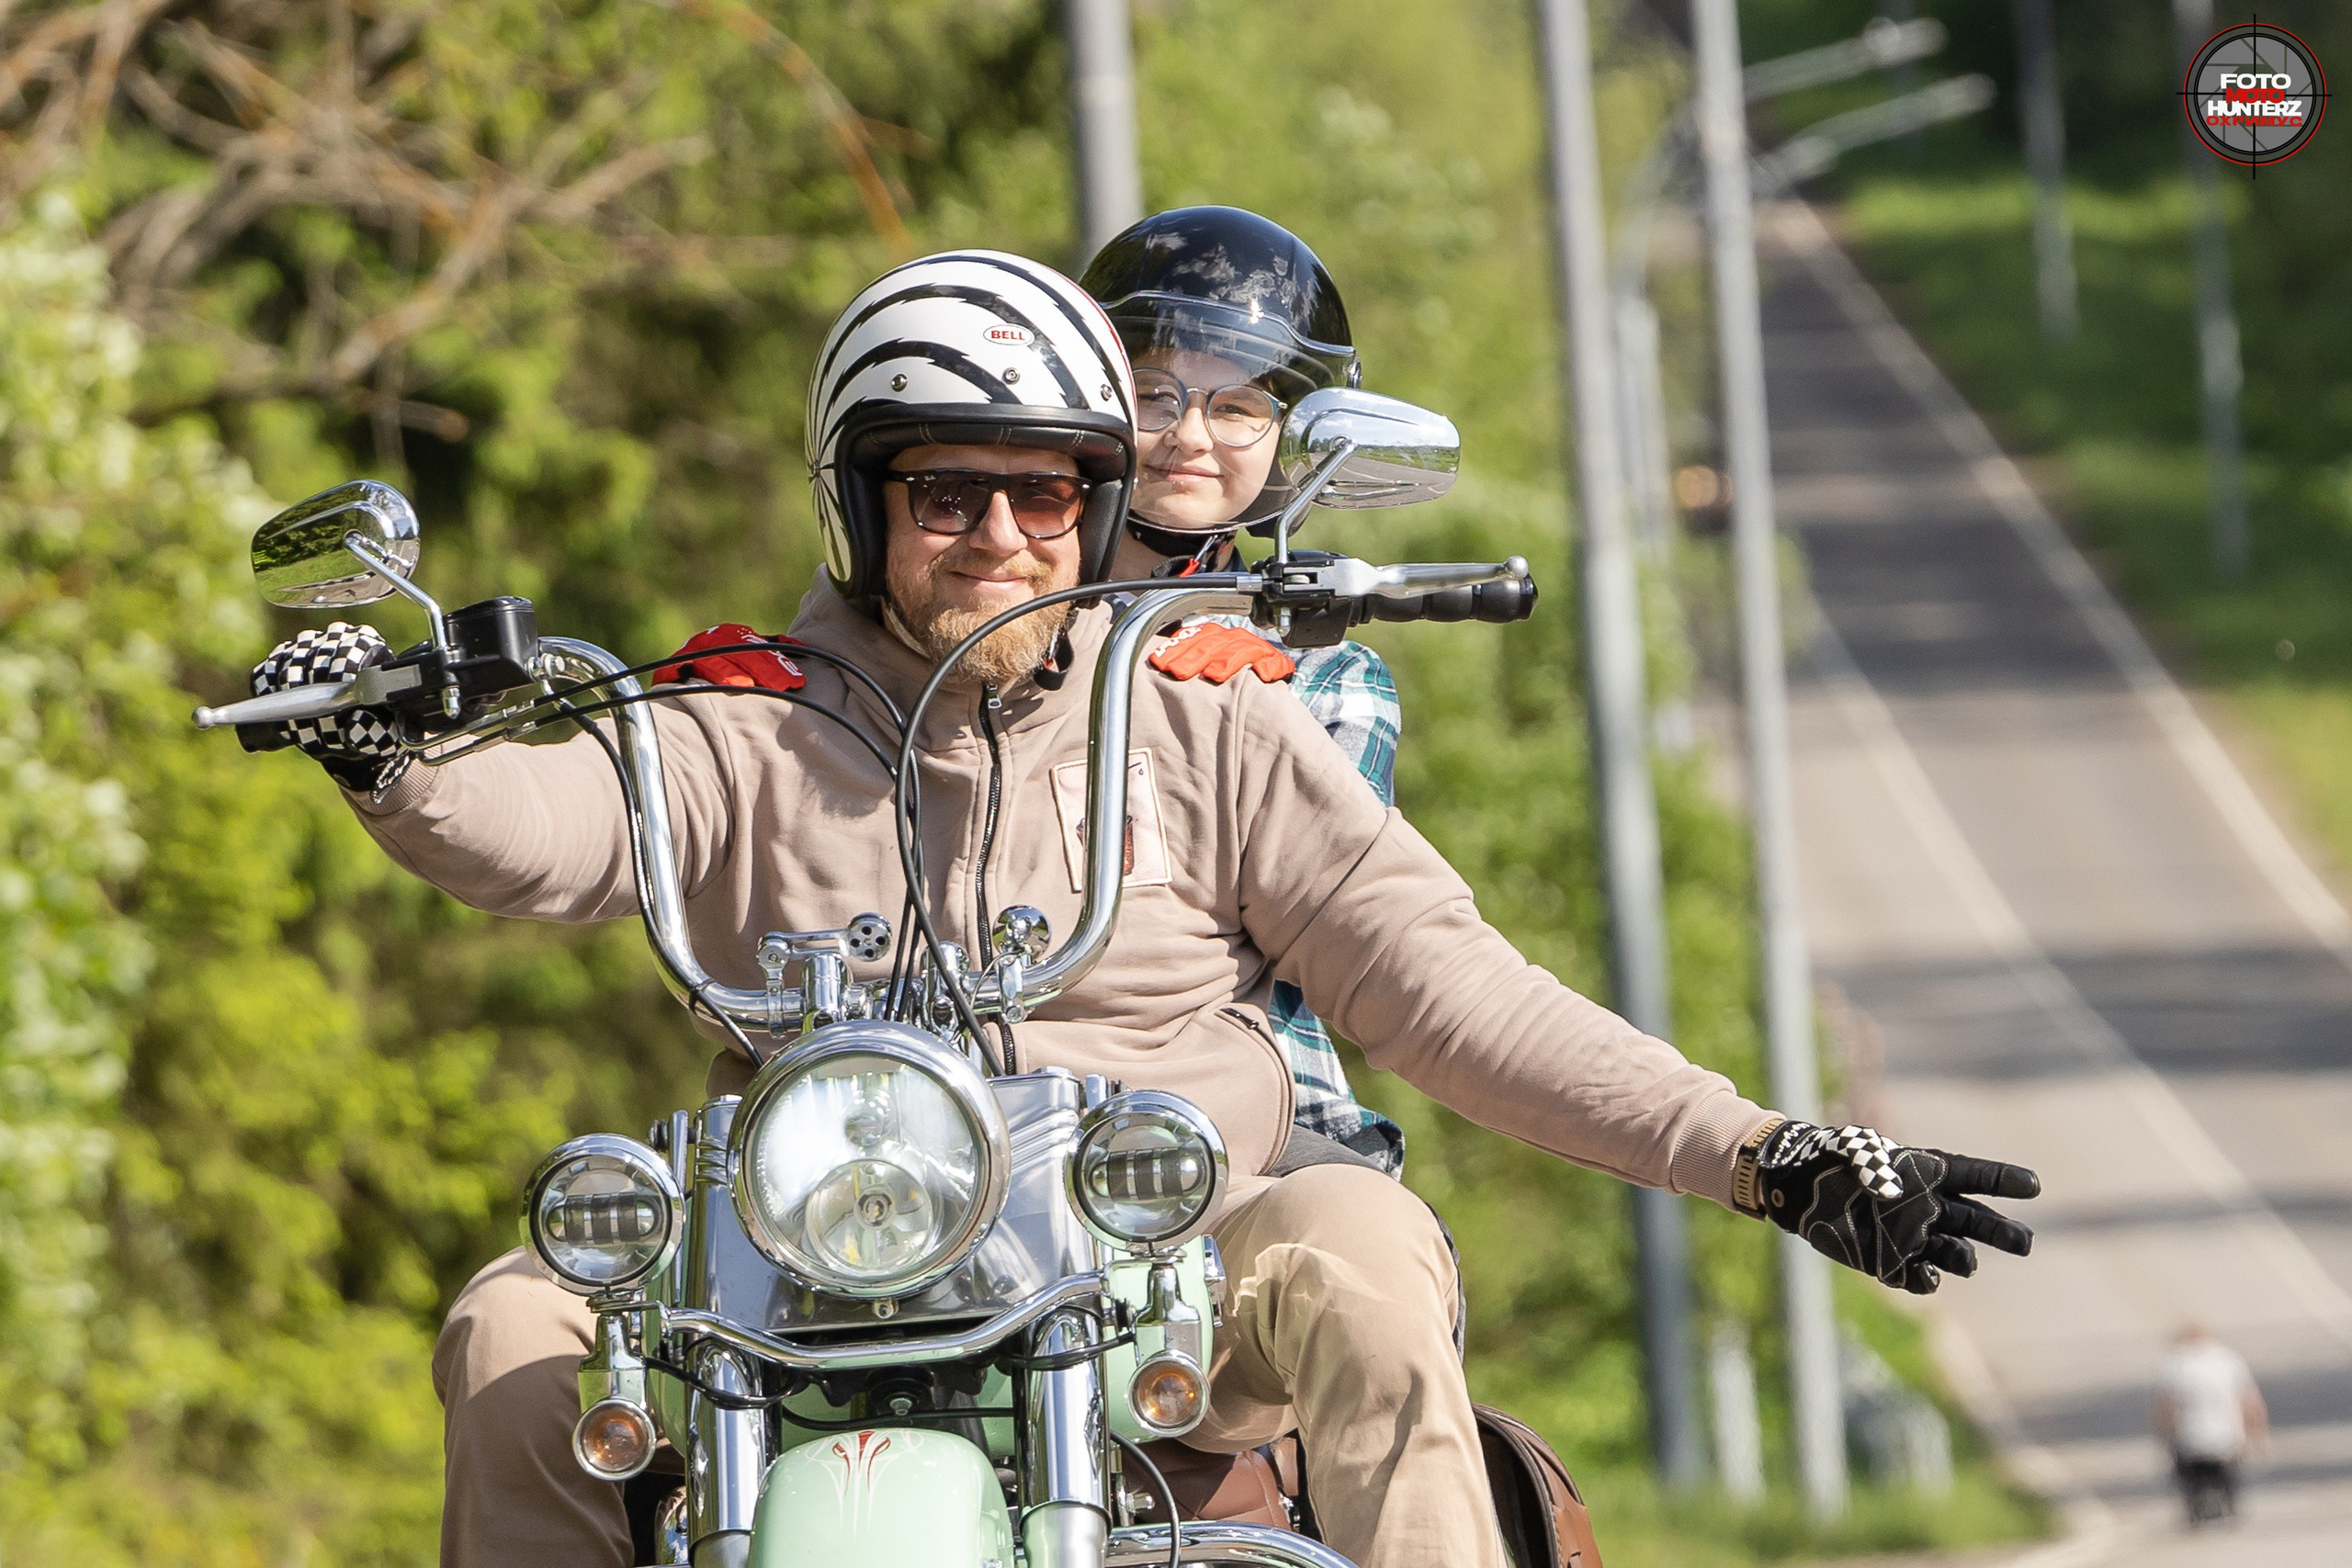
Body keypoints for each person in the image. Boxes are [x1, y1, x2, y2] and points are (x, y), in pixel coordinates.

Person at [248, 249, 2040, 1568]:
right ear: (858, 501)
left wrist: (1765, 1150)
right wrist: (389, 755)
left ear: (1101, 506)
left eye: (1048, 492)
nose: (1000, 535)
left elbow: (1439, 987)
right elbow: (542, 825)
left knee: (1355, 1250)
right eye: (944, 489)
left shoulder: (1199, 711)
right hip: (791, 1261)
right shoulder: (729, 718)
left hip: (1165, 1251)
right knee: (512, 1320)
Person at [1080, 205, 1403, 1172]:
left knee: (1369, 1278)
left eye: (1236, 408)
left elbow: (1318, 926)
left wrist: (1254, 720)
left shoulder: (1323, 674)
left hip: (1259, 1119)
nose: (1189, 436)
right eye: (1153, 394)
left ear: (1289, 438)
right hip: (995, 1107)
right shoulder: (999, 614)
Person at [2154, 1320, 2266, 1526]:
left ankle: (2193, 1510)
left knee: (2184, 1474)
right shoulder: (2227, 1359)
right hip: (2227, 1437)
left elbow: (2165, 1407)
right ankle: (2231, 1506)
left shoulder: (2175, 1364)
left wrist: (2165, 1435)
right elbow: (2249, 1401)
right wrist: (2256, 1433)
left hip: (2189, 1440)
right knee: (2230, 1472)